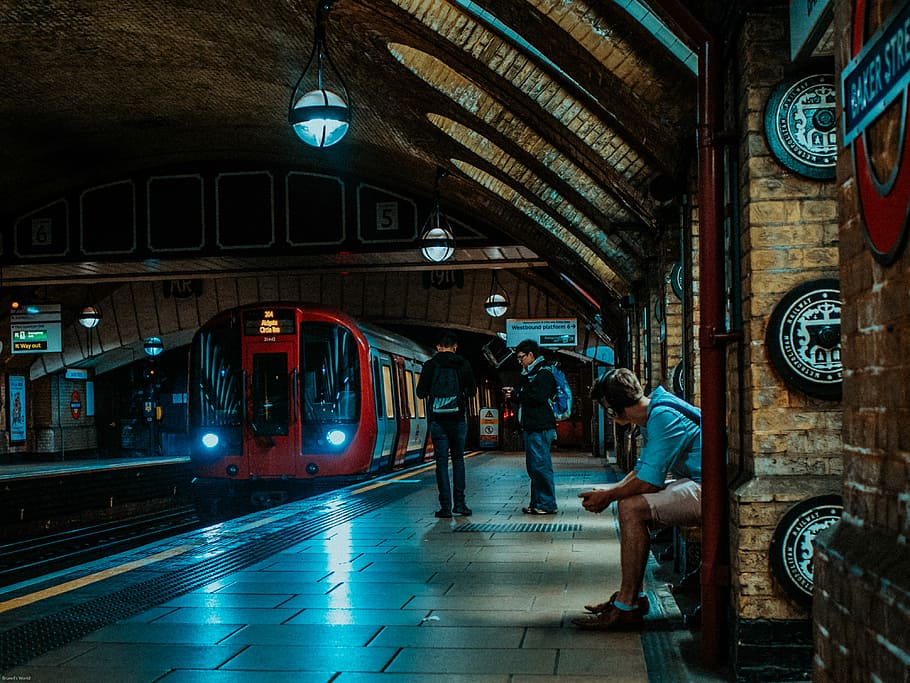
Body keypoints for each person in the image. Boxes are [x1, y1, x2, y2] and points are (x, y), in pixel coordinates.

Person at [573, 367, 702, 630]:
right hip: (699, 480)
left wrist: (608, 496)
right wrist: (607, 493)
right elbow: (642, 471)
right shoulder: (655, 410)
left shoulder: (662, 417)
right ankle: (630, 597)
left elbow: (647, 482)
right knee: (628, 502)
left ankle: (627, 606)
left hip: (710, 487)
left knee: (631, 508)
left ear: (613, 409)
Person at [416, 330, 477, 518]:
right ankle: (460, 504)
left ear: (438, 347)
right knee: (458, 460)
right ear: (455, 347)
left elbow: (420, 393)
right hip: (458, 420)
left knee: (441, 462)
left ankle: (445, 507)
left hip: (438, 421)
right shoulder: (463, 363)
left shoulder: (430, 365)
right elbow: (473, 391)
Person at [504, 339, 558, 515]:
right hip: (532, 427)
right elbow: (525, 396)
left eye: (521, 357)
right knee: (534, 467)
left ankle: (547, 504)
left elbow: (537, 397)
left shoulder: (544, 374)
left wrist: (518, 393)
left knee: (541, 466)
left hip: (540, 427)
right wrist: (514, 394)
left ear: (531, 355)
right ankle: (537, 503)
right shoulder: (529, 373)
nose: (520, 361)